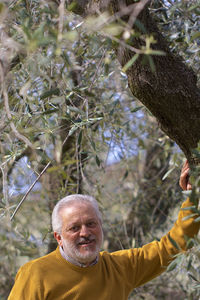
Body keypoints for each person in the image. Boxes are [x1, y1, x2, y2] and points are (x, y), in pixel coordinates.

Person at [8, 160, 199, 300]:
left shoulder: (121, 267)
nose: (85, 233)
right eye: (74, 228)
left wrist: (194, 197)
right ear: (58, 237)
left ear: (100, 225)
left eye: (91, 224)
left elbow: (172, 246)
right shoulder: (35, 274)